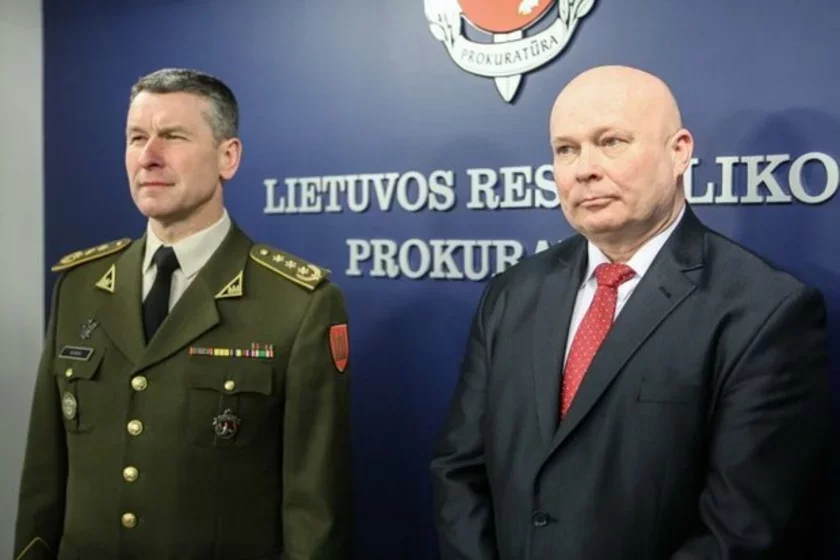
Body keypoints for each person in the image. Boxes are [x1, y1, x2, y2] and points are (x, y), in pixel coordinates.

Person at [430, 65, 830, 559]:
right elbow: (459, 470)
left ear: (679, 151)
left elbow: (742, 531)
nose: (584, 169)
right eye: (566, 149)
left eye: (611, 142)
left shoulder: (765, 311)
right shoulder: (511, 292)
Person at [14, 68, 352, 559]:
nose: (148, 156)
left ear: (227, 157)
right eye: (136, 138)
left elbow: (314, 513)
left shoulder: (297, 304)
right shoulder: (81, 286)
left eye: (172, 136)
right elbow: (44, 479)